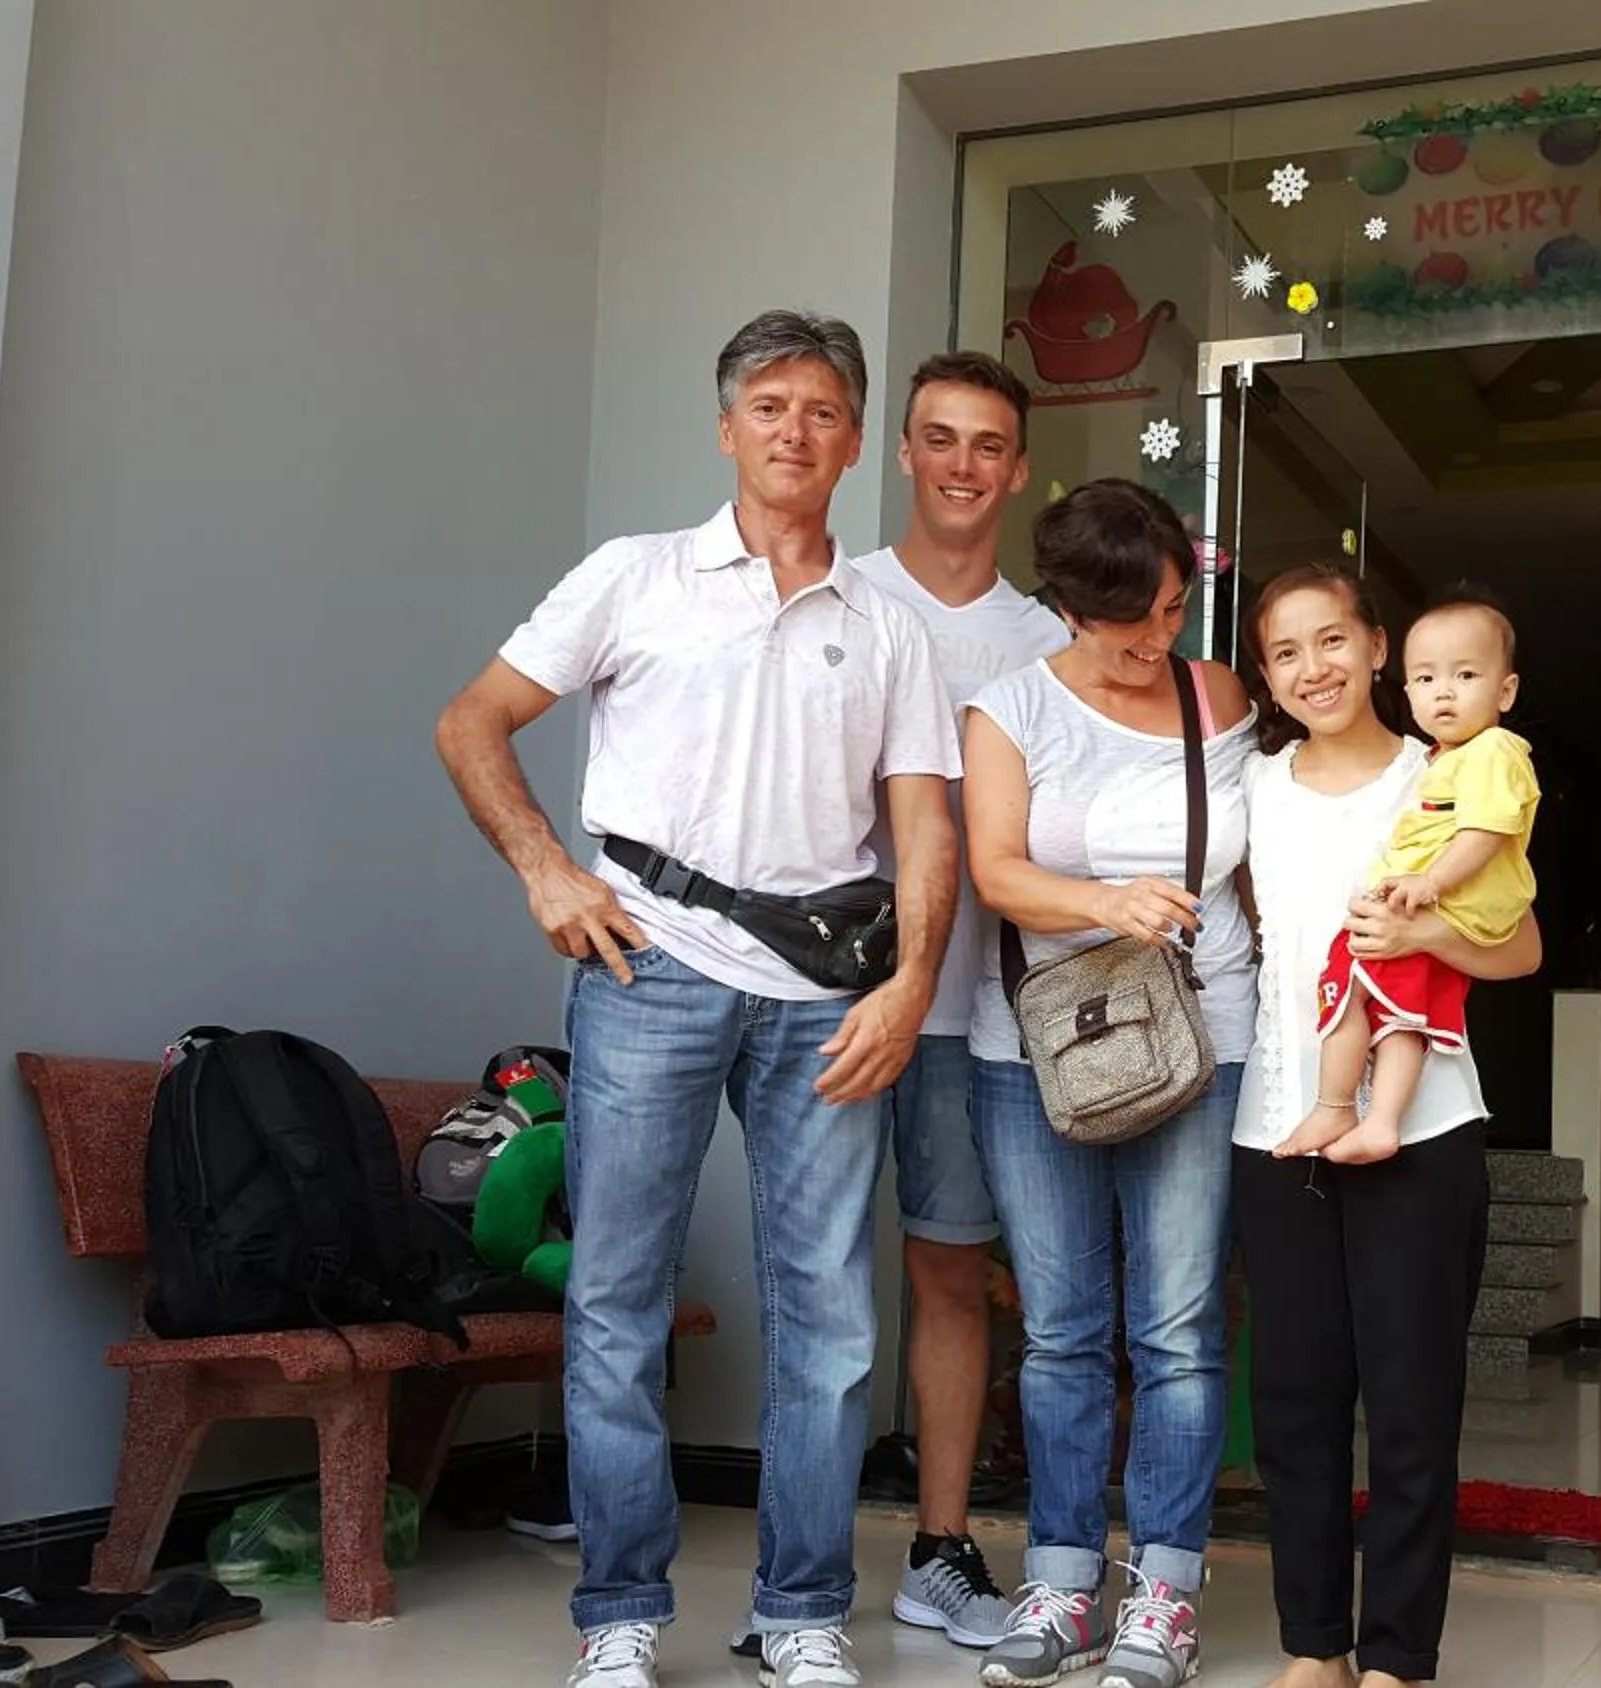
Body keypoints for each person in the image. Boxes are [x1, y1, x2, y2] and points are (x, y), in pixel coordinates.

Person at [434, 308, 957, 1688]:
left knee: (832, 1324)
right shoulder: (637, 576)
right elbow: (471, 720)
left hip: (824, 1008)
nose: (798, 429)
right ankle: (619, 1615)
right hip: (646, 969)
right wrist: (549, 869)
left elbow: (925, 830)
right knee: (614, 1301)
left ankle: (799, 1615)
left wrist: (908, 990)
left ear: (857, 444)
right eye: (771, 405)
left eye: (824, 410)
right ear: (728, 428)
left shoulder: (890, 628)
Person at [957, 479, 1257, 1688]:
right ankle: (1064, 1582)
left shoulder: (1216, 693)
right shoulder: (1011, 705)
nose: (1160, 638)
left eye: (1177, 606)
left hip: (1206, 1035)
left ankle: (1166, 1597)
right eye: (1132, 618)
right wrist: (1104, 903)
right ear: (1069, 604)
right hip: (1039, 1049)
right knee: (1062, 1331)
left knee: (1179, 1326)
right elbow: (993, 868)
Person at [1231, 563, 1542, 1688]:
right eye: (1284, 651)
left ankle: (1399, 1654)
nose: (1312, 668)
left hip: (1426, 1129)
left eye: (1331, 641)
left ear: (1376, 648)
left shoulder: (1449, 769)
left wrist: (1419, 933)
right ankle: (1315, 1643)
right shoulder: (1252, 787)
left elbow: (1523, 947)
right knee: (1297, 1402)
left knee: (1412, 1403)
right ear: (1267, 672)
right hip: (1278, 1120)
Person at [846, 350, 1068, 1649]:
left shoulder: (1044, 644)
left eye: (990, 445)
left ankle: (940, 1547)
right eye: (941, 440)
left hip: (972, 1020)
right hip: (818, 1000)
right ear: (905, 453)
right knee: (814, 1284)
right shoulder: (837, 596)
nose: (964, 466)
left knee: (948, 1277)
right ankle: (799, 1576)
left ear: (1019, 470)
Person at [1277, 596, 1537, 1166]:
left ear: (1506, 691)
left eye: (1466, 675)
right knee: (1400, 1016)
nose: (1444, 691)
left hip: (1442, 907)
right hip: (1433, 910)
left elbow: (1486, 830)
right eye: (1426, 678)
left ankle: (1335, 1103)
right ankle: (1381, 1120)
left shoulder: (1492, 750)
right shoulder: (1446, 758)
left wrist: (1431, 886)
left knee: (1348, 977)